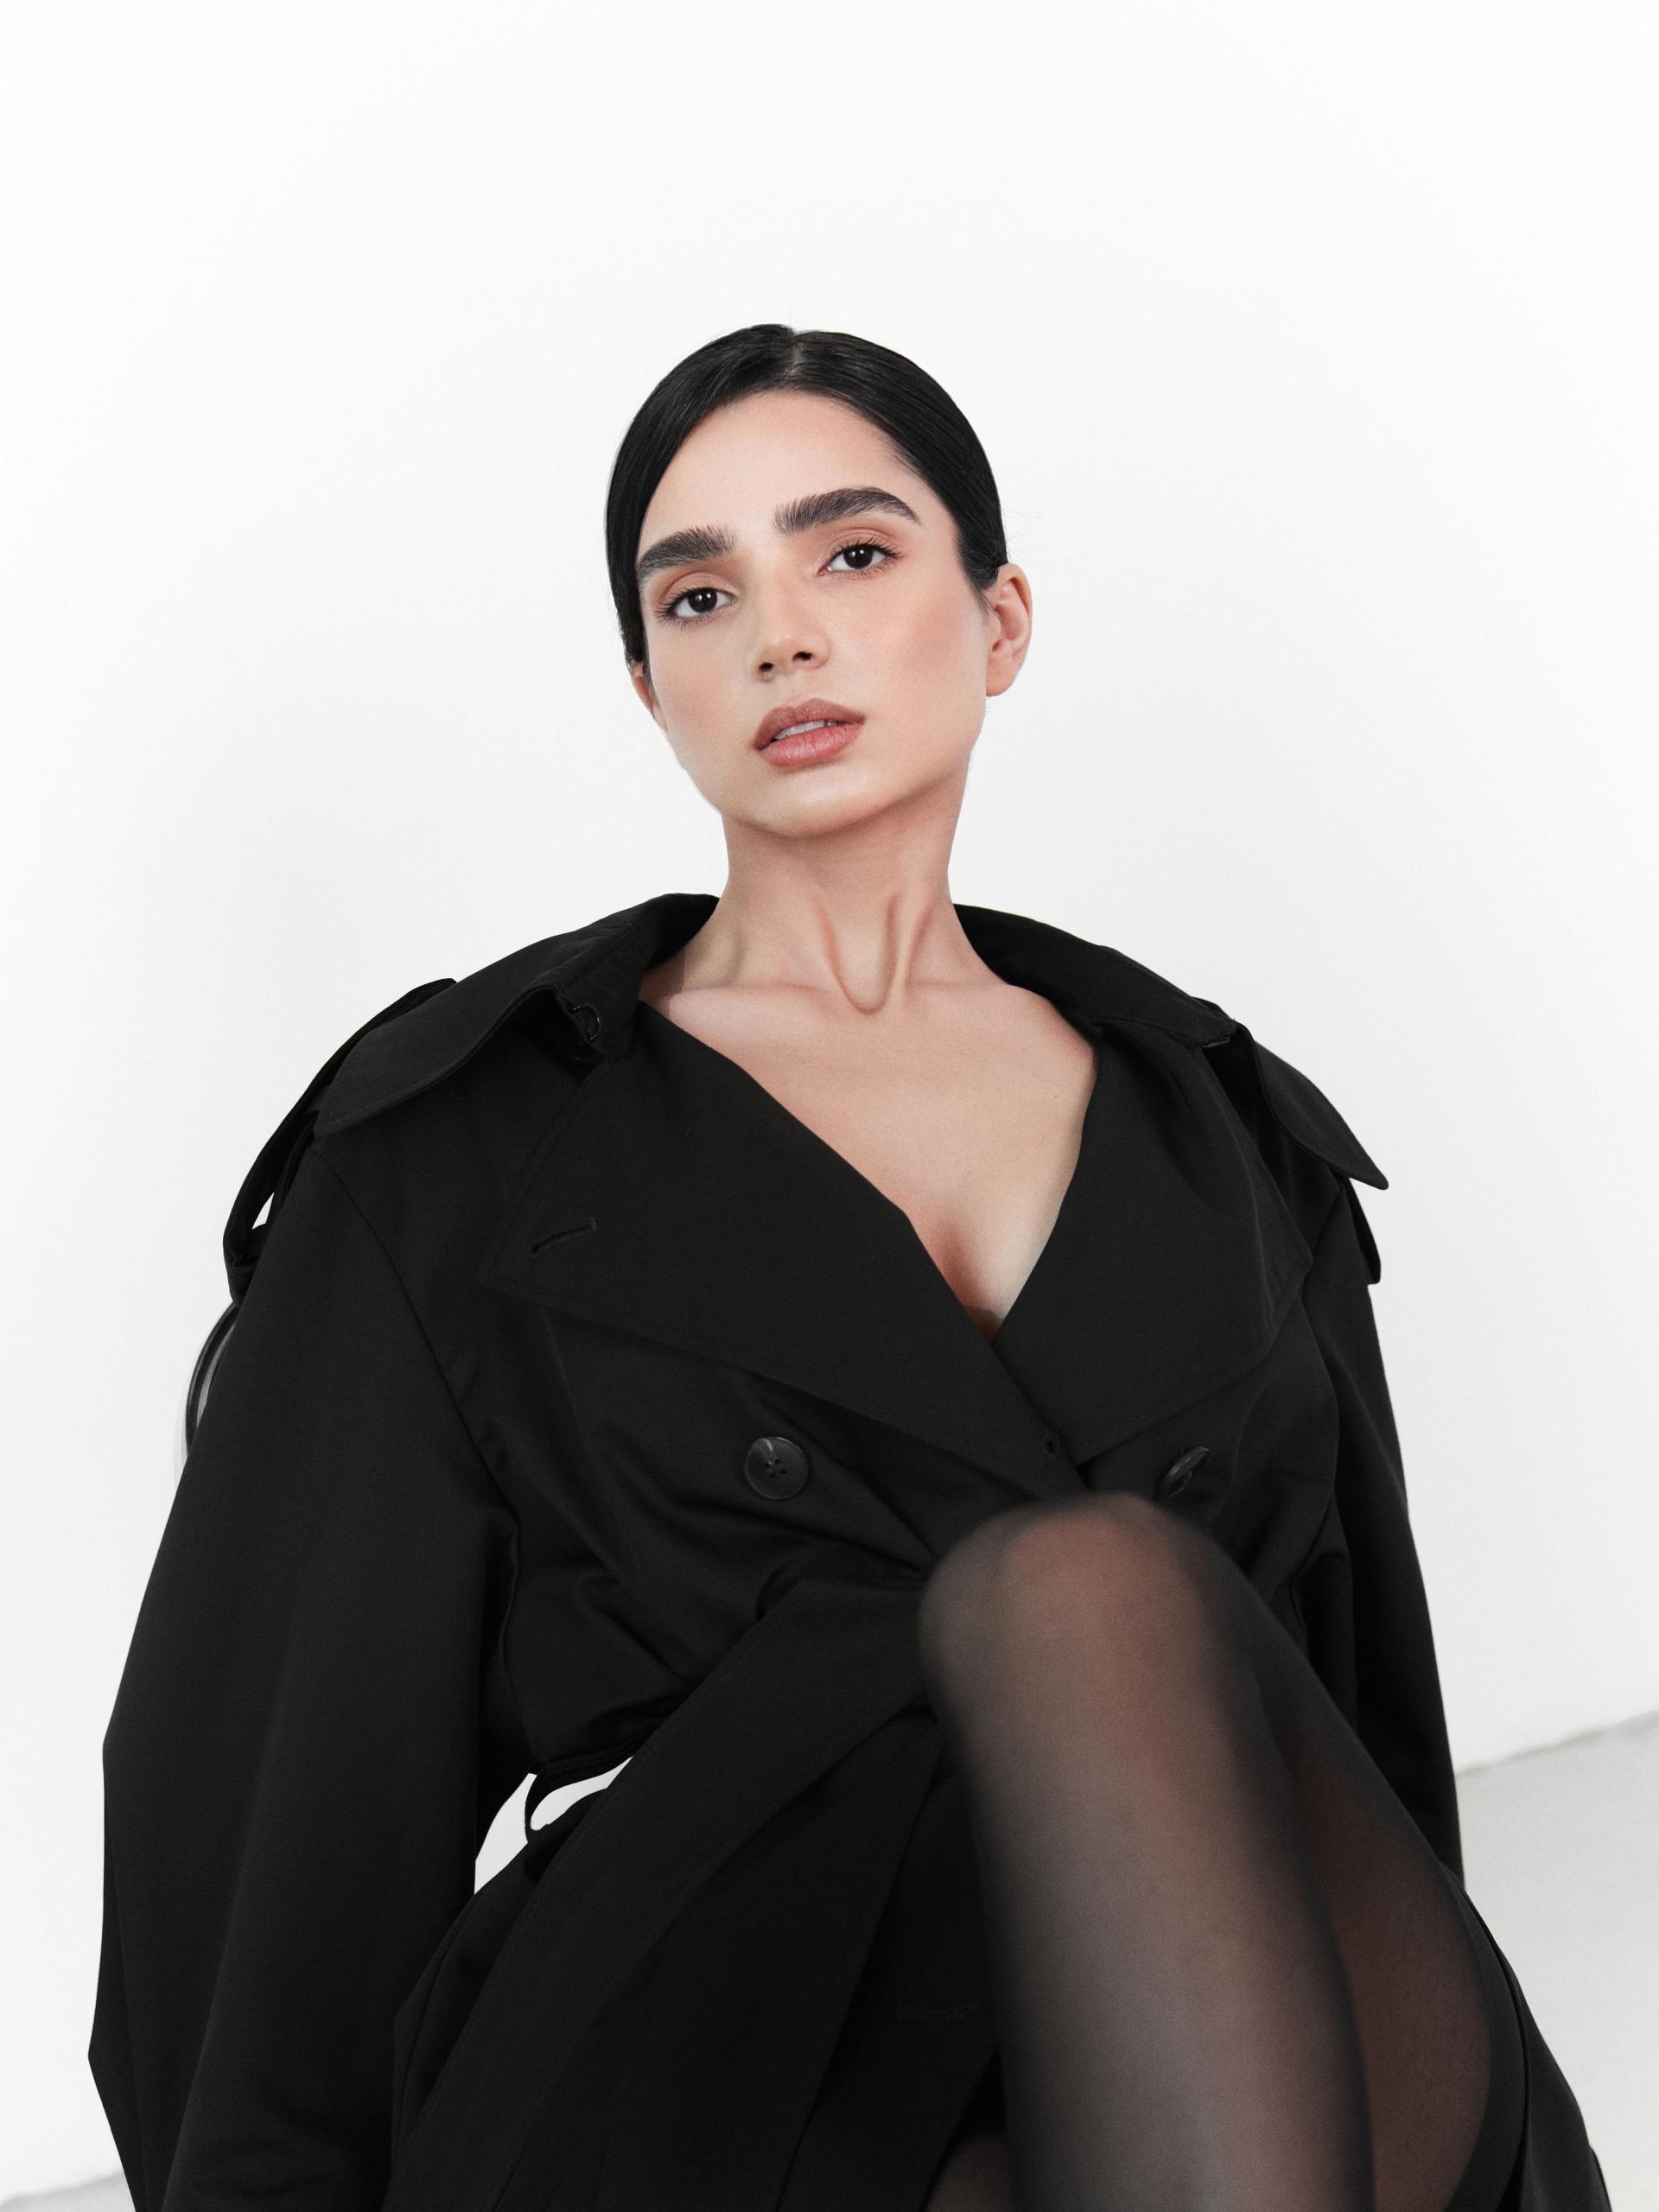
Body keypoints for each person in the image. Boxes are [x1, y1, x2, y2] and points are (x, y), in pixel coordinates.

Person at [90, 323, 1611, 2212]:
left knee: (1110, 1607)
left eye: (855, 554)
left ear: (1002, 618)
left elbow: (1355, 1742)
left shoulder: (1229, 1137)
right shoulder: (464, 1149)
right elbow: (268, 1822)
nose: (780, 638)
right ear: (649, 685)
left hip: (1253, 2037)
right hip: (733, 2054)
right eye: (701, 594)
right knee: (1078, 1596)